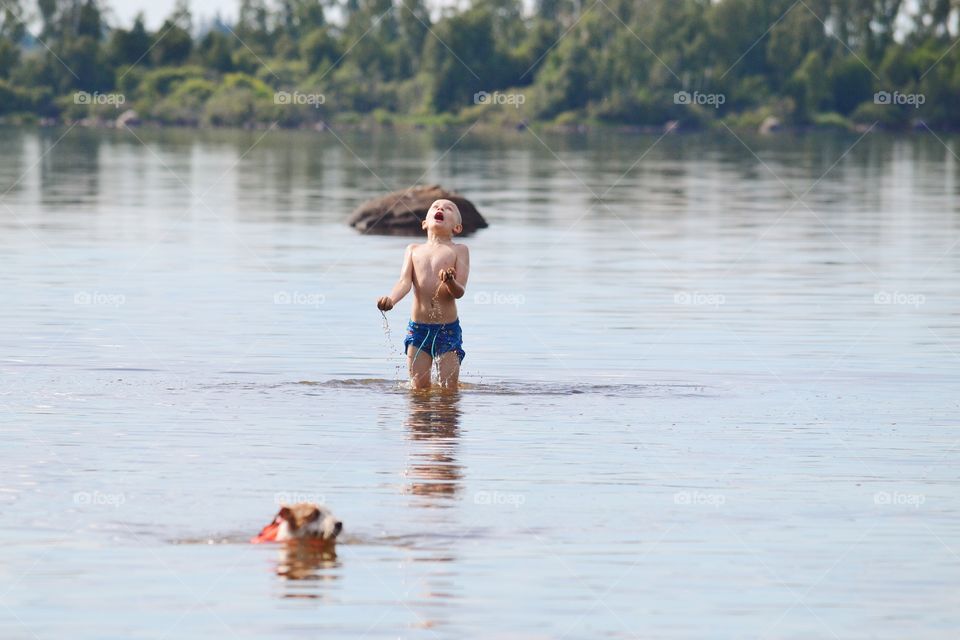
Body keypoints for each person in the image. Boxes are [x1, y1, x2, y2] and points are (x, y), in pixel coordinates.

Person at [377, 199, 470, 390]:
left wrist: (450, 282)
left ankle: (446, 416)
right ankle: (419, 418)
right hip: (418, 330)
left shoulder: (459, 250)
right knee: (418, 388)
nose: (441, 209)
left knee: (448, 389)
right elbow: (404, 282)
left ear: (457, 227)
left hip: (447, 330)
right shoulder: (413, 250)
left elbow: (459, 291)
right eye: (435, 207)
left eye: (448, 208)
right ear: (424, 223)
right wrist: (391, 300)